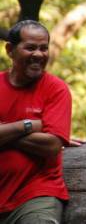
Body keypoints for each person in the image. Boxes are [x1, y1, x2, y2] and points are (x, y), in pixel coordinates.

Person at [0, 20, 72, 224]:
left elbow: (51, 146)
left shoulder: (56, 89)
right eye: (30, 47)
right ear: (10, 50)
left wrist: (4, 132)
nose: (39, 54)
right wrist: (27, 125)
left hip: (34, 197)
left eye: (44, 48)